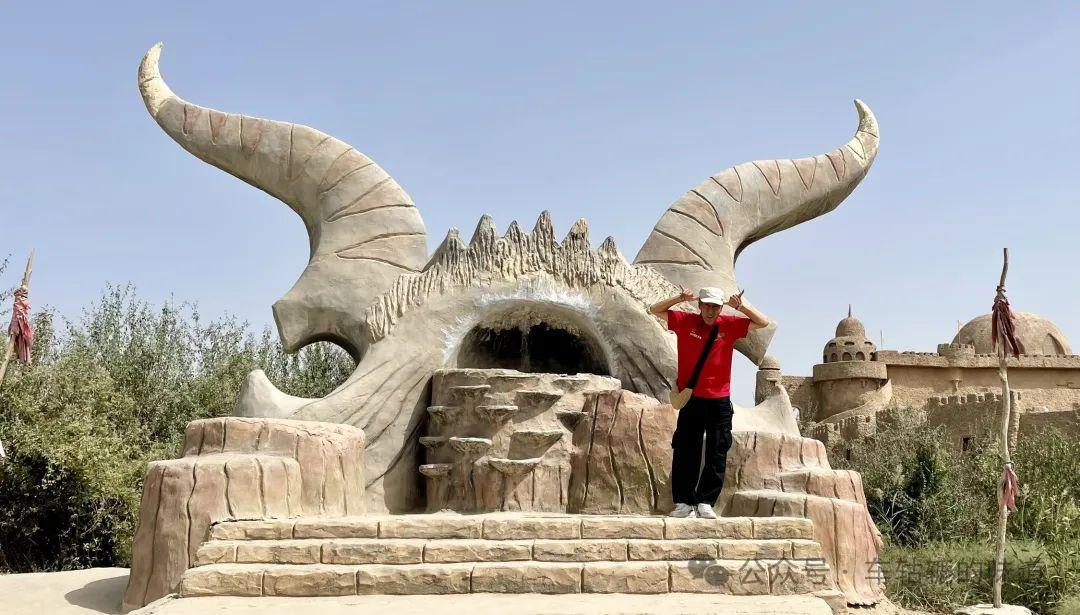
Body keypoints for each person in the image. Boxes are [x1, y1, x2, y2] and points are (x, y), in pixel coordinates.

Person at [649, 287, 770, 519]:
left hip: (719, 400)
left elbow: (763, 322)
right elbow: (654, 309)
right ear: (700, 305)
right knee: (686, 450)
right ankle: (684, 502)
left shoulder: (729, 325)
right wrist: (680, 298)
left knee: (717, 451)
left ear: (721, 307)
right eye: (707, 305)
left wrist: (741, 306)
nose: (711, 311)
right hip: (691, 399)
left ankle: (706, 502)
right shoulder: (685, 321)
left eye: (715, 306)